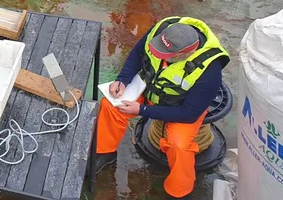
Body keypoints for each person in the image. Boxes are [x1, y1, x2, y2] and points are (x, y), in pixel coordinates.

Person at [92, 17, 230, 198]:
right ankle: (104, 153)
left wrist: (142, 110)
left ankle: (178, 191)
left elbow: (189, 114)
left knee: (178, 145)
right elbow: (137, 53)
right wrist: (123, 79)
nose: (155, 52)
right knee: (110, 105)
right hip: (150, 88)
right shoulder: (162, 30)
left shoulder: (210, 71)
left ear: (183, 54)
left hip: (183, 108)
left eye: (163, 52)